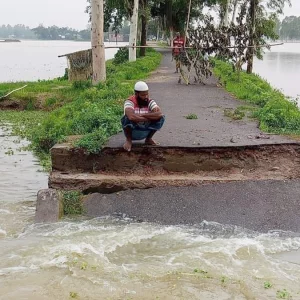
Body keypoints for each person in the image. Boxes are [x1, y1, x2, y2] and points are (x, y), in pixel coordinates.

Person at [121, 81, 165, 152]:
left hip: (146, 129)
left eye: (147, 94)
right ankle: (129, 141)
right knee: (126, 118)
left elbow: (159, 114)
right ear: (136, 94)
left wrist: (143, 115)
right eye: (143, 95)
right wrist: (150, 117)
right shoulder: (129, 102)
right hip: (133, 131)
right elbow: (131, 117)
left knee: (161, 118)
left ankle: (148, 139)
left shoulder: (150, 101)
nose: (146, 97)